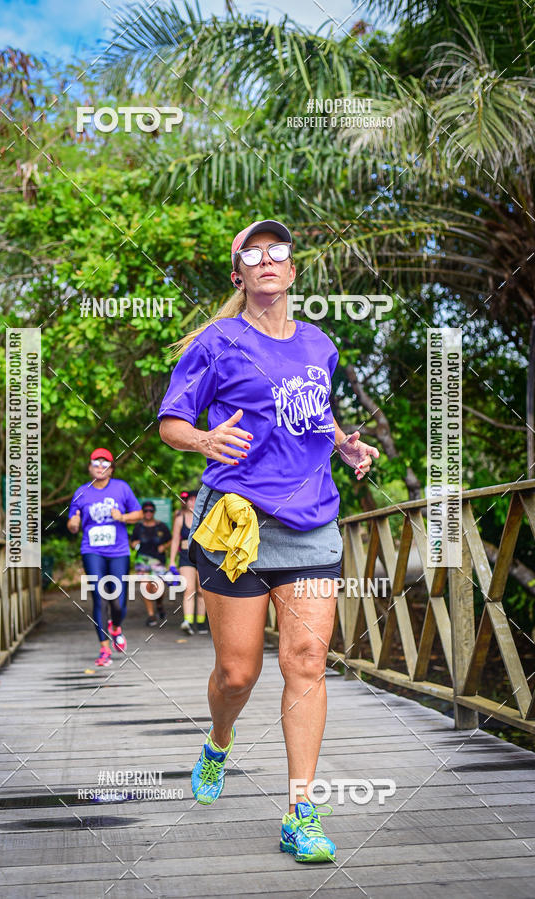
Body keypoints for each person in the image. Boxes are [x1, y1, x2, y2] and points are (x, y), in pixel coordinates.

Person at [158, 219, 379, 862]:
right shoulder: (216, 342)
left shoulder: (319, 344)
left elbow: (313, 408)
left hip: (312, 523)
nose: (266, 260)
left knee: (306, 662)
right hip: (238, 524)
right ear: (239, 274)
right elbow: (172, 421)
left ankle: (300, 810)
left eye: (276, 251)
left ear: (291, 269)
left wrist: (344, 443)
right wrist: (202, 440)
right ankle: (219, 740)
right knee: (237, 671)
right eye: (252, 253)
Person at [67, 448, 143, 666]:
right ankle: (104, 649)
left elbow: (138, 514)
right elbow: (73, 522)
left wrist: (123, 516)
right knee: (100, 596)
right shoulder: (81, 492)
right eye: (96, 463)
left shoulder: (122, 488)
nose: (100, 467)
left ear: (111, 469)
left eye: (105, 464)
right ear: (90, 468)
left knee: (118, 602)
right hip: (92, 550)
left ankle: (116, 627)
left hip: (119, 551)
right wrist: (73, 524)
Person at [168, 490, 207, 635]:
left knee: (202, 591)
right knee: (188, 589)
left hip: (202, 556)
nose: (193, 502)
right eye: (190, 500)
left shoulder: (206, 517)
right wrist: (172, 561)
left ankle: (201, 622)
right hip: (185, 557)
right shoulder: (180, 519)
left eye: (196, 499)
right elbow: (175, 540)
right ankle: (188, 621)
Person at [130, 501, 171, 627]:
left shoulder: (161, 526)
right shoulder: (138, 527)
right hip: (142, 560)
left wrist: (164, 546)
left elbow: (171, 540)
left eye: (150, 511)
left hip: (158, 561)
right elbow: (132, 544)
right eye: (146, 510)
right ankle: (151, 615)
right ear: (143, 512)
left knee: (157, 588)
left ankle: (159, 604)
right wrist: (134, 544)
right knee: (145, 586)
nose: (148, 513)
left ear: (154, 512)